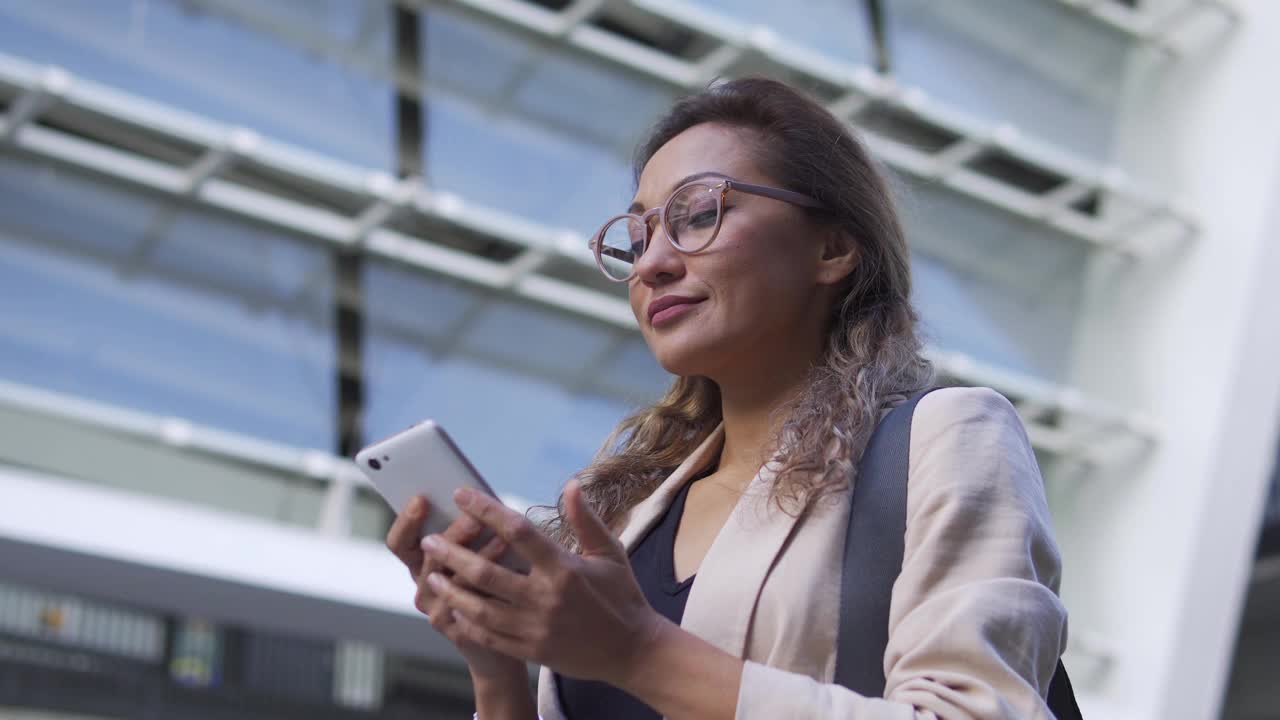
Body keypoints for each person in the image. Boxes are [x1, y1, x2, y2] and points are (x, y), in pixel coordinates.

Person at [384, 77, 1068, 719]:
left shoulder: (946, 436)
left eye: (700, 213)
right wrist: (499, 674)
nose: (651, 263)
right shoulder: (634, 517)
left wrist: (638, 652)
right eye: (639, 235)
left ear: (831, 247)